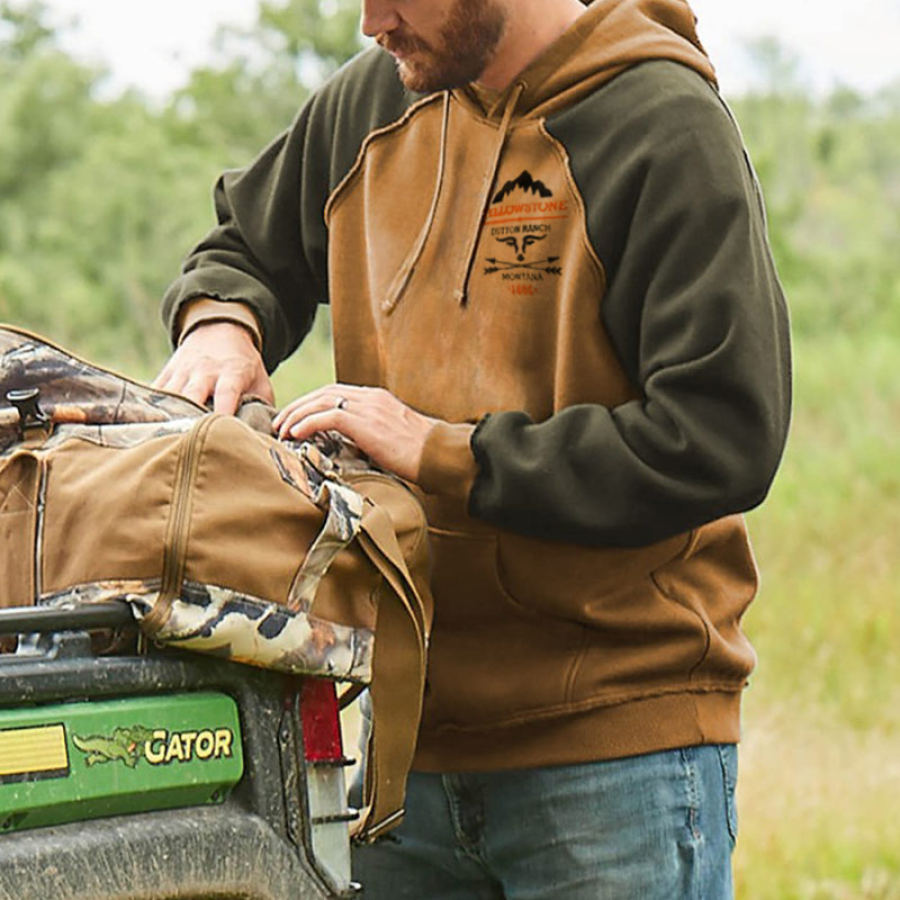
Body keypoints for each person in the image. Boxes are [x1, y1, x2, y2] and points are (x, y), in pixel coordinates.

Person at [156, 0, 791, 895]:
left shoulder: (663, 125)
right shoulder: (372, 104)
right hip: (391, 754)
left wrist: (442, 452)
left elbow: (724, 437)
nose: (373, 22)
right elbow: (244, 247)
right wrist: (223, 325)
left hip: (611, 753)